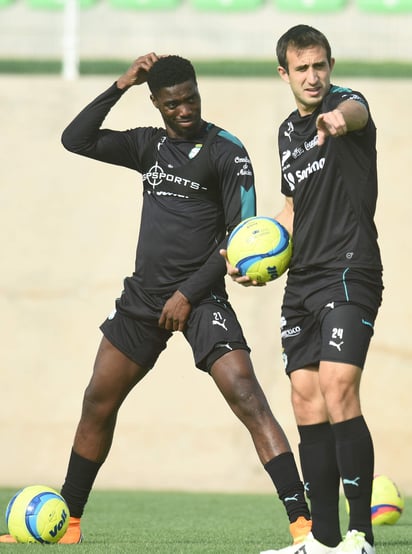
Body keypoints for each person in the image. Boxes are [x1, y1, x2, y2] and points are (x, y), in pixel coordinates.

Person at [0, 53, 311, 545]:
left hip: (203, 298)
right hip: (143, 299)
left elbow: (240, 235)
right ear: (157, 104)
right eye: (173, 104)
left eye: (191, 99)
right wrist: (121, 83)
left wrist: (189, 294)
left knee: (247, 396)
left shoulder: (227, 151)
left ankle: (301, 522)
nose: (184, 110)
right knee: (97, 402)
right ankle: (71, 523)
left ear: (197, 93)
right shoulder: (148, 144)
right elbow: (75, 139)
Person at [225, 25, 383, 554]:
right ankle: (323, 539)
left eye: (320, 65)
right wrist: (251, 254)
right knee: (305, 400)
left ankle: (360, 535)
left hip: (349, 269)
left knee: (339, 386)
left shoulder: (347, 106)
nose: (313, 76)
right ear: (284, 74)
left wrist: (340, 120)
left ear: (330, 66)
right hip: (303, 281)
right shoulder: (286, 134)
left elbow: (356, 111)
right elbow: (291, 210)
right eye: (302, 68)